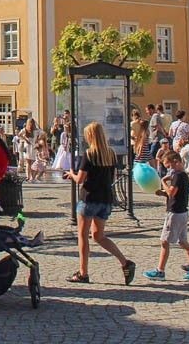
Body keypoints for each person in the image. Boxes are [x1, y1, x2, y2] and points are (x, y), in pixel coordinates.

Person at [65, 121, 135, 285]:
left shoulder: (89, 154)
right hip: (105, 199)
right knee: (99, 236)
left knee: (83, 236)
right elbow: (112, 176)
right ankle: (125, 262)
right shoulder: (110, 154)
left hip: (89, 198)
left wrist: (71, 174)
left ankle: (83, 273)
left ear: (90, 136)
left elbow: (80, 179)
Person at [144, 150, 189, 280]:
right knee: (183, 242)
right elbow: (177, 194)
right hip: (182, 212)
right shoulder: (183, 175)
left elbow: (172, 193)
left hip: (175, 213)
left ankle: (160, 270)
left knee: (164, 242)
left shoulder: (178, 176)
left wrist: (163, 182)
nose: (168, 169)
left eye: (168, 166)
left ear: (176, 162)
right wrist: (162, 193)